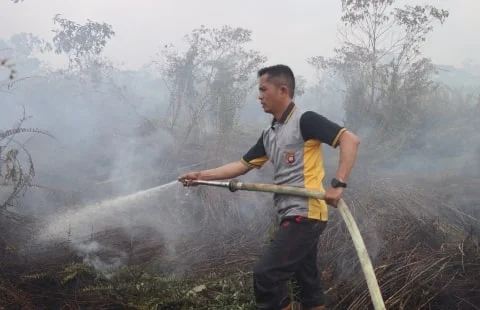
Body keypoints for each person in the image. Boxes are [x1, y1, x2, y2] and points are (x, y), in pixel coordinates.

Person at [178, 64, 360, 310]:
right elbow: (240, 166)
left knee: (267, 276)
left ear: (282, 90)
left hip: (305, 214)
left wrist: (338, 184)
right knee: (308, 286)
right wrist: (200, 176)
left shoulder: (305, 121)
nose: (259, 96)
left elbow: (350, 139)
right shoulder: (269, 134)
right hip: (290, 213)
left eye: (264, 89)